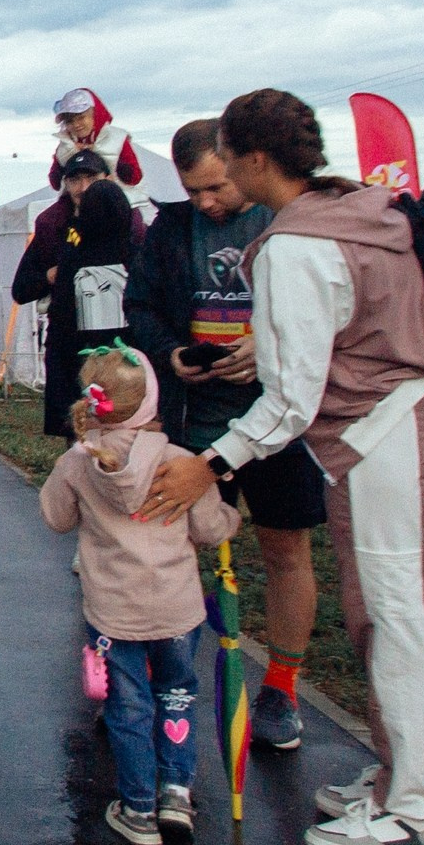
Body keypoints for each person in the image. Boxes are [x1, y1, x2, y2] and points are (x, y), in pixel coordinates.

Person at [138, 89, 424, 845]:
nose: (221, 183)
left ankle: (418, 814)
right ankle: (400, 776)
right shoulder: (358, 205)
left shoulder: (294, 243)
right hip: (405, 425)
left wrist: (210, 462)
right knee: (397, 610)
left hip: (383, 433)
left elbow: (290, 398)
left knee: (398, 615)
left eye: (227, 162)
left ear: (255, 158)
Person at [126, 118, 326, 753]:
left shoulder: (288, 219)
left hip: (279, 421)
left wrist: (265, 346)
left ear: (240, 164)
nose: (207, 202)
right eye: (193, 191)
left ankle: (282, 690)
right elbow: (140, 307)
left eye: (217, 186)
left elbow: (328, 315)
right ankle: (166, 679)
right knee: (173, 551)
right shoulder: (171, 228)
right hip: (196, 421)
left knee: (285, 551)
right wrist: (171, 353)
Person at [40, 345, 242, 845]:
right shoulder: (182, 464)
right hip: (177, 611)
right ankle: (176, 793)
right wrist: (230, 517)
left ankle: (137, 809)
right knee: (176, 695)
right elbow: (210, 530)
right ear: (154, 400)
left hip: (112, 615)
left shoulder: (77, 462)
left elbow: (57, 519)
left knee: (128, 709)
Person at [11, 150, 132, 438]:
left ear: (108, 178)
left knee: (118, 432)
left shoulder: (130, 225)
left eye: (91, 178)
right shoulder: (52, 226)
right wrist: (51, 275)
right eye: (75, 179)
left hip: (118, 349)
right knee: (76, 435)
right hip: (68, 347)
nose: (83, 187)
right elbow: (21, 288)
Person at [48, 87, 143, 191]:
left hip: (116, 196)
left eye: (81, 118)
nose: (76, 124)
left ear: (95, 114)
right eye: (69, 121)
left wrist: (100, 153)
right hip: (78, 198)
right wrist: (70, 156)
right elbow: (55, 184)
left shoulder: (117, 138)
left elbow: (135, 178)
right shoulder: (65, 145)